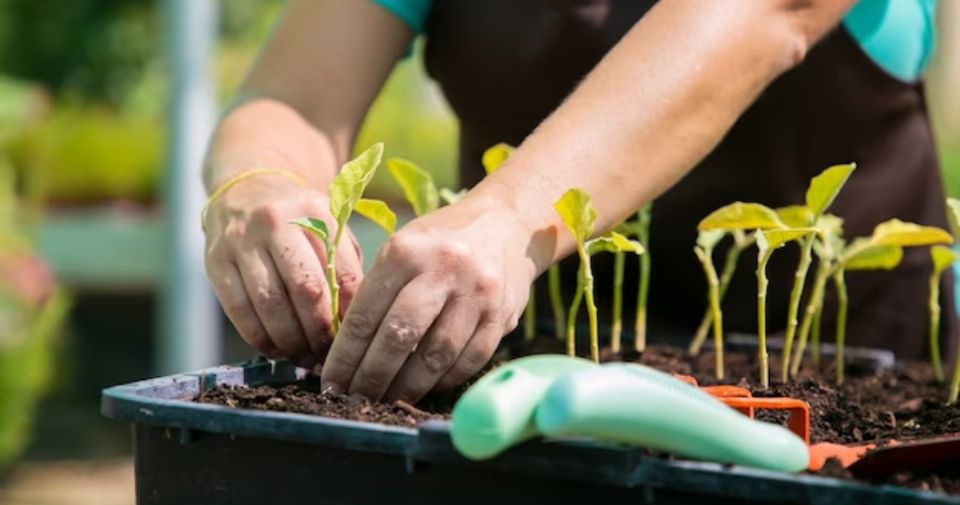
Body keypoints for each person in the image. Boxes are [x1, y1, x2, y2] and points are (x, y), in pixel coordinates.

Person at [202, 0, 953, 404]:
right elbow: (290, 97)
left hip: (833, 393)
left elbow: (764, 13)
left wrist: (510, 213)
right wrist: (256, 181)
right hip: (524, 389)